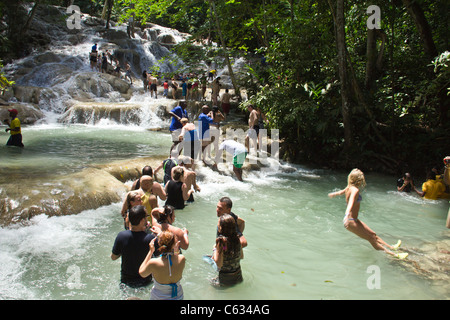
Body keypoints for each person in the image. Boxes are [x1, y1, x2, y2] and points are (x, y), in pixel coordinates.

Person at [328, 169, 407, 259]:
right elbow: (350, 202)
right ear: (358, 179)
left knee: (373, 234)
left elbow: (341, 192)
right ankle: (395, 255)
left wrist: (333, 194)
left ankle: (392, 247)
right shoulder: (355, 190)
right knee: (371, 239)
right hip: (350, 221)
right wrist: (346, 215)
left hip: (354, 220)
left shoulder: (349, 187)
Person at [111, 205, 157, 288]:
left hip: (126, 282)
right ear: (142, 220)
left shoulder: (121, 236)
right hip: (145, 282)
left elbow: (113, 257)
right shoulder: (150, 239)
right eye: (146, 217)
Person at [139, 231, 185, 300]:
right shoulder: (181, 259)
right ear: (174, 243)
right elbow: (175, 257)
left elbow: (141, 273)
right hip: (178, 297)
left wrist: (150, 252)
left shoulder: (154, 263)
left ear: (159, 243)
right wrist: (176, 250)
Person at [212, 214, 244, 286]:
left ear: (221, 227)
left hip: (225, 279)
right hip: (238, 276)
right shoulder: (237, 239)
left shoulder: (221, 242)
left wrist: (215, 249)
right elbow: (241, 256)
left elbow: (219, 264)